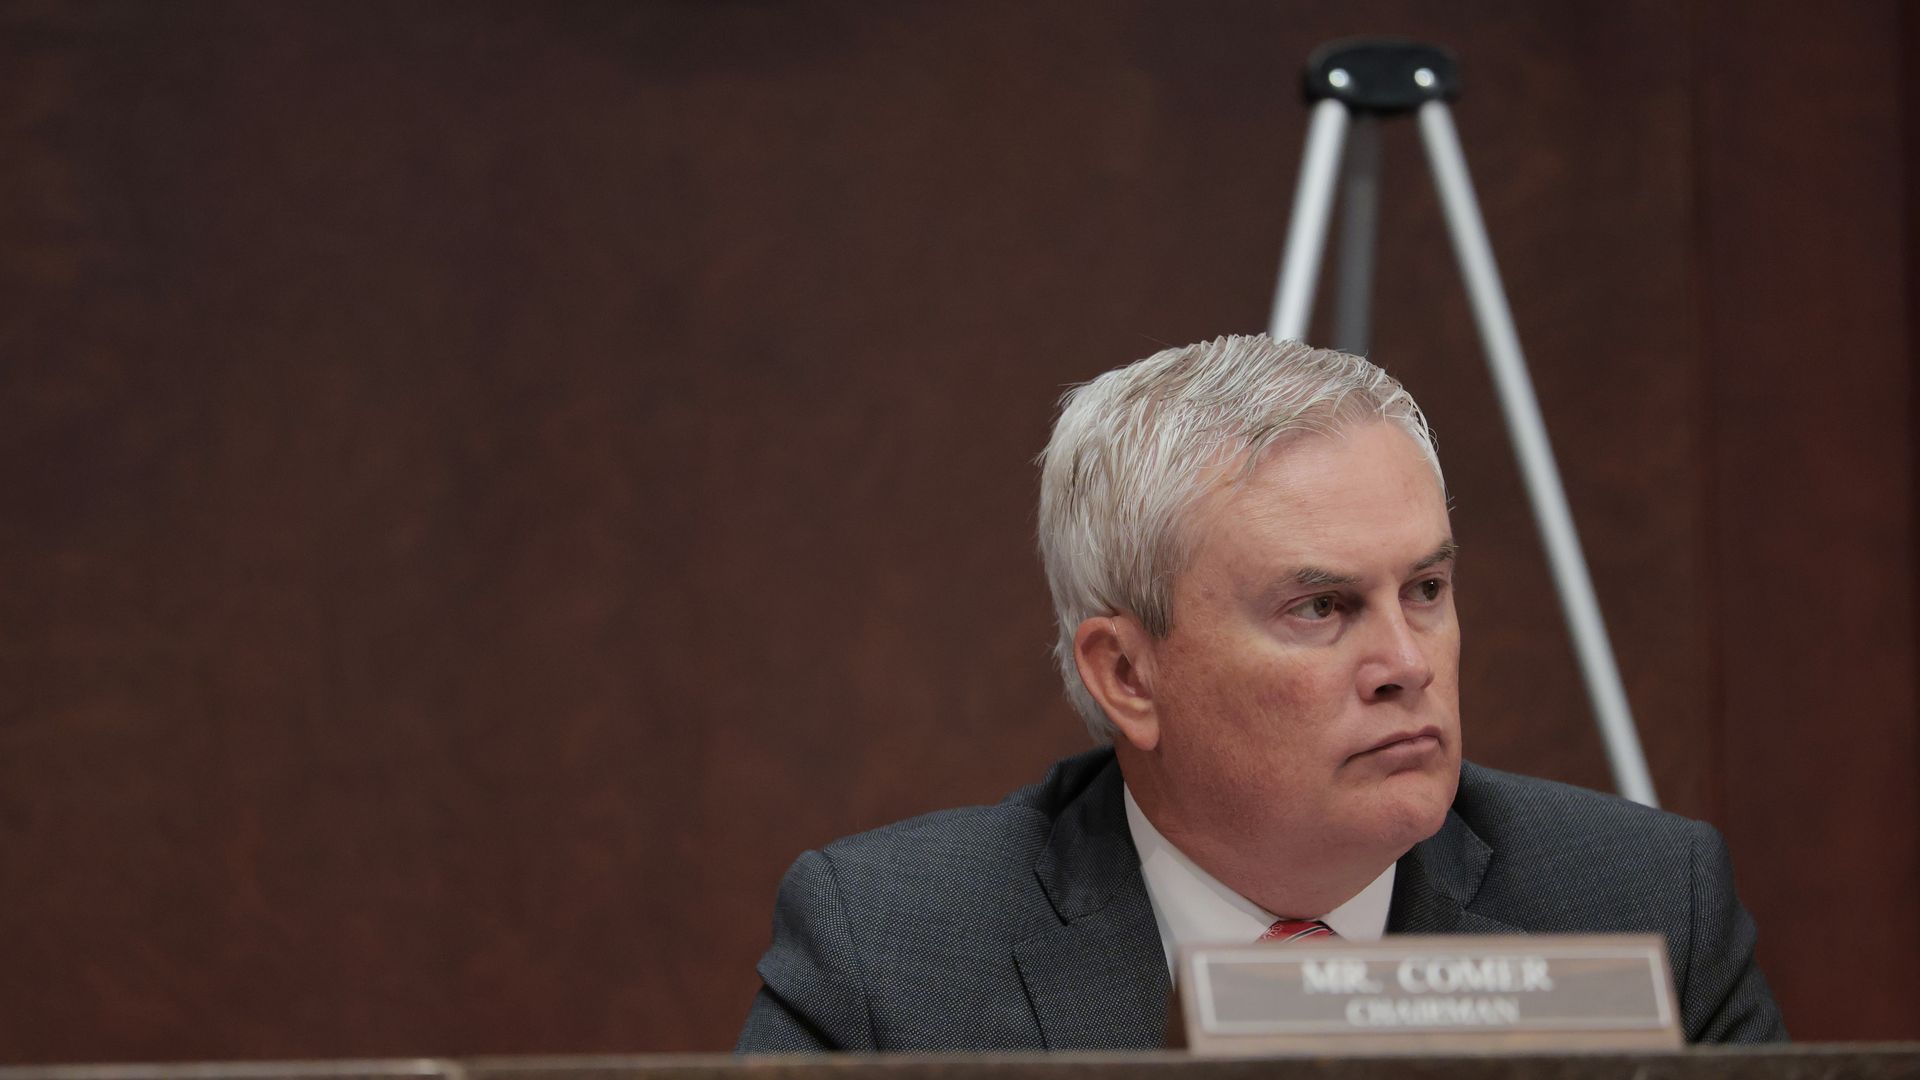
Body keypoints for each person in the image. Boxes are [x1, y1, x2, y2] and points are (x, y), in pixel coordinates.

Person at [735, 335, 1784, 1051]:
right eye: (1319, 608)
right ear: (1127, 674)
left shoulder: (1643, 906)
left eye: (1425, 589)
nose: (1405, 662)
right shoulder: (894, 953)